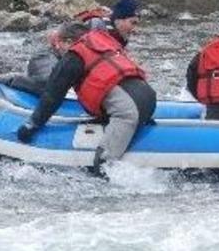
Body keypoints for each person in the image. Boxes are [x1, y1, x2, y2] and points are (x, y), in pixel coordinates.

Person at [15, 21, 156, 173]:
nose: (57, 49)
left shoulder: (73, 56)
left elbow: (52, 96)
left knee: (103, 169)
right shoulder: (105, 43)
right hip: (148, 101)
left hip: (127, 113)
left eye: (60, 43)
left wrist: (31, 125)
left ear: (69, 42)